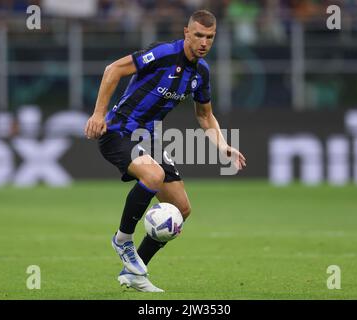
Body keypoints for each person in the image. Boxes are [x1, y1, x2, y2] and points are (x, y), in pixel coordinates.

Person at [84, 9, 246, 292]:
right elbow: (114, 69)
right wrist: (99, 114)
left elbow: (205, 115)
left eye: (210, 37)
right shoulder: (163, 54)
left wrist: (222, 145)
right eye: (198, 35)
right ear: (186, 33)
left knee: (181, 209)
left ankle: (134, 273)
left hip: (149, 139)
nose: (204, 42)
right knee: (154, 176)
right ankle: (122, 239)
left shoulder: (202, 73)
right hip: (119, 132)